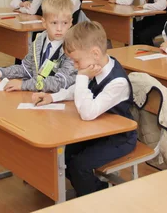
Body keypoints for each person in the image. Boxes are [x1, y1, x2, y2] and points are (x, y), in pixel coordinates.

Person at [31, 21, 137, 196]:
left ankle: (100, 195)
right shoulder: (95, 66)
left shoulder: (117, 82)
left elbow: (87, 112)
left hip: (119, 138)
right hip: (97, 131)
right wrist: (52, 97)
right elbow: (79, 92)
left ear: (95, 53)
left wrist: (81, 77)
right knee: (62, 156)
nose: (74, 65)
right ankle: (89, 189)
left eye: (76, 60)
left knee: (79, 165)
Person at [0, 0, 77, 93]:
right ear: (44, 22)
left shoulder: (72, 49)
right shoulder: (38, 42)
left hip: (60, 100)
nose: (59, 28)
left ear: (70, 23)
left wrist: (24, 85)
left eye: (64, 23)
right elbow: (26, 68)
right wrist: (0, 73)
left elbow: (59, 82)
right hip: (37, 95)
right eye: (54, 23)